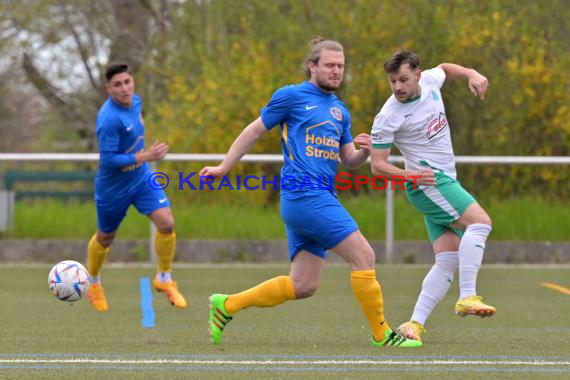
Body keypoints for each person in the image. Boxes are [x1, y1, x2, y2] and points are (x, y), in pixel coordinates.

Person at [199, 38, 422, 348]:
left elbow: (349, 160)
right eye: (330, 65)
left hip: (318, 198)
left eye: (341, 66)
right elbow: (253, 130)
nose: (336, 71)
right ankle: (382, 334)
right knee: (365, 256)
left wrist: (365, 152)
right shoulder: (291, 96)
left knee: (303, 285)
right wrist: (224, 166)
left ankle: (227, 305)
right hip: (304, 195)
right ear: (312, 66)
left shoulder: (339, 111)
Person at [369, 50, 496, 342]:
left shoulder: (430, 82)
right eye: (392, 82)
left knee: (447, 259)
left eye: (403, 79)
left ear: (418, 74)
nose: (398, 87)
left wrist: (471, 73)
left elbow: (446, 68)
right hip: (427, 183)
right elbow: (378, 165)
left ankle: (414, 324)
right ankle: (468, 296)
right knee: (480, 223)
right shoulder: (388, 116)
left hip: (439, 182)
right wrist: (410, 176)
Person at [86, 63, 187, 312]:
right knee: (106, 236)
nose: (124, 88)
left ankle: (164, 279)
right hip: (113, 186)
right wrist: (146, 156)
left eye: (127, 81)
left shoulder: (137, 102)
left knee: (167, 223)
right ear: (108, 88)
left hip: (140, 178)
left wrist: (143, 158)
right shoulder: (108, 119)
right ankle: (93, 282)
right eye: (118, 84)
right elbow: (108, 160)